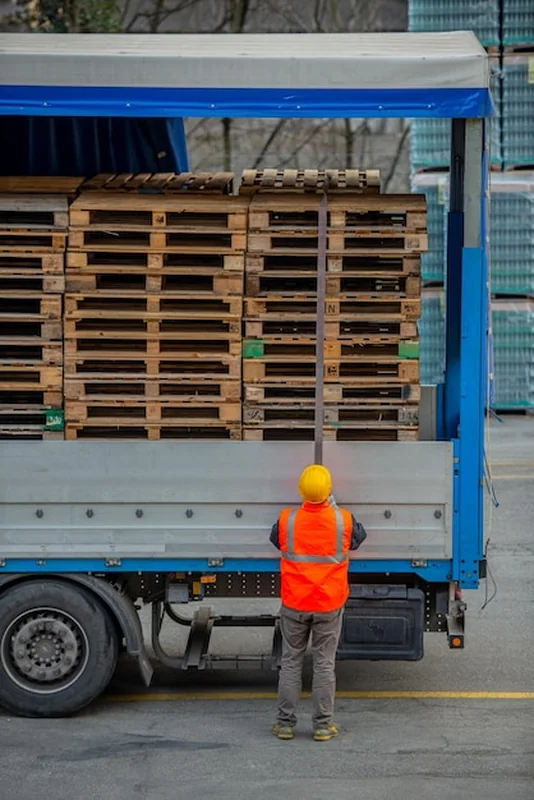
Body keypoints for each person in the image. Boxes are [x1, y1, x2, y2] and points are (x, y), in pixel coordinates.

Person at [269, 463, 367, 742]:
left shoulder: (287, 519)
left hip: (295, 602)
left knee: (291, 661)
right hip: (328, 604)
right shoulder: (343, 520)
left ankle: (285, 724)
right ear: (329, 491)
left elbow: (276, 539)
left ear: (300, 490)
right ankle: (323, 725)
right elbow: (359, 538)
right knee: (324, 664)